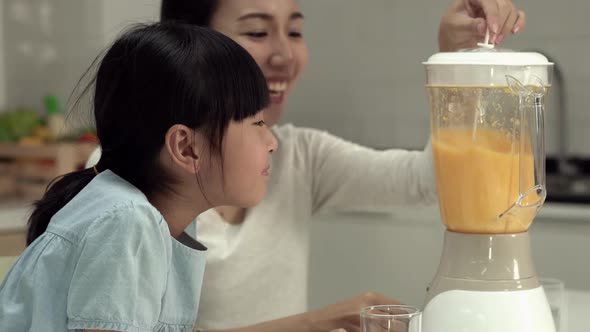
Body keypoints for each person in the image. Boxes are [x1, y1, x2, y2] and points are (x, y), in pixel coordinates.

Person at [88, 1, 527, 331]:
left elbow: (430, 182)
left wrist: (459, 62)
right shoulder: (125, 192)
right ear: (189, 44)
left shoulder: (294, 154)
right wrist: (315, 323)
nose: (284, 54)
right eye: (258, 32)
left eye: (295, 32)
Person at [0, 22, 277, 332]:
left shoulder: (142, 216)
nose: (272, 143)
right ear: (186, 148)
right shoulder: (128, 221)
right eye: (258, 123)